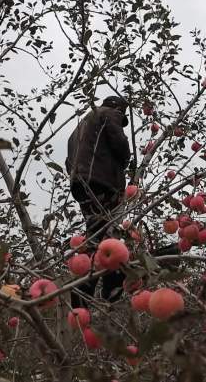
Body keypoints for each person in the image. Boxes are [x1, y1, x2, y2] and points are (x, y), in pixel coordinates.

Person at [66, 96, 131, 308]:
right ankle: (103, 289)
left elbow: (69, 160)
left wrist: (78, 177)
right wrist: (126, 160)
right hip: (102, 182)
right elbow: (120, 147)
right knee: (107, 234)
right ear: (118, 109)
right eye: (122, 116)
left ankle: (88, 288)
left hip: (81, 184)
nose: (121, 120)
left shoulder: (78, 129)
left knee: (97, 231)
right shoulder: (108, 114)